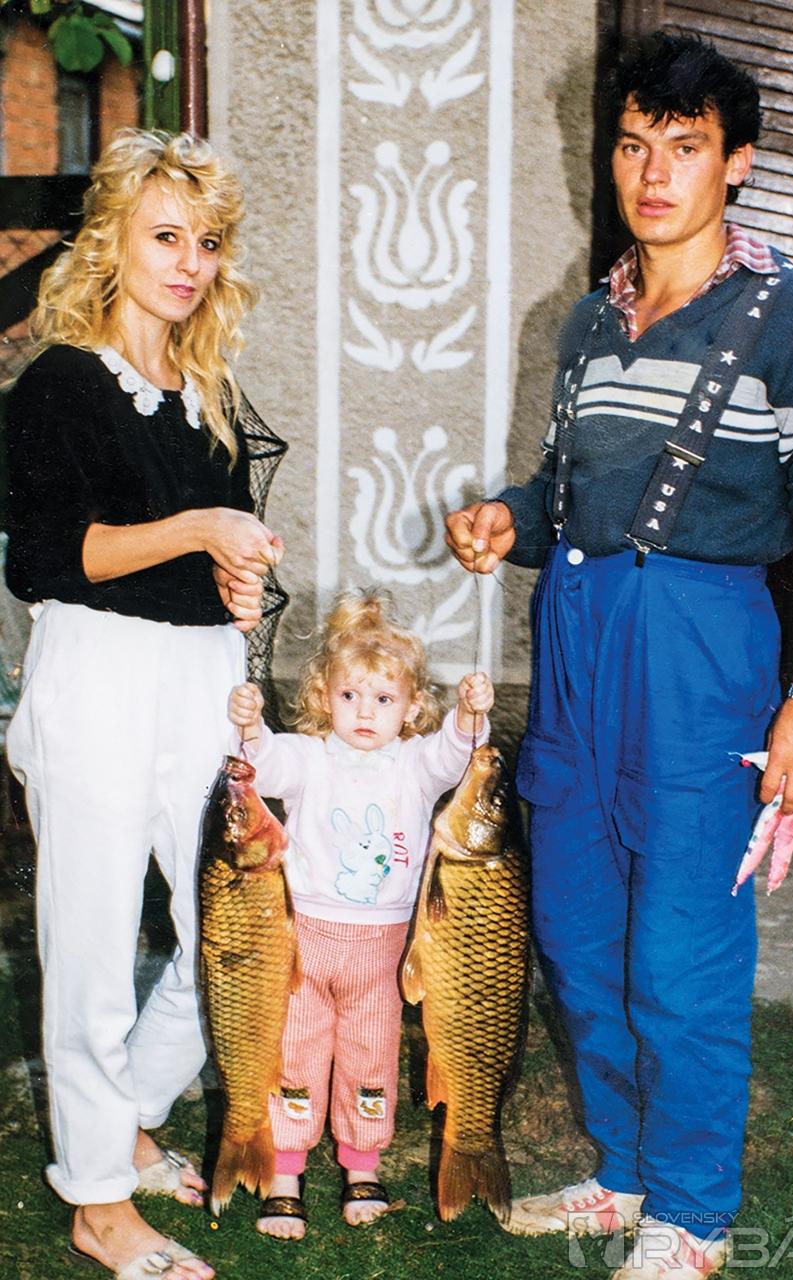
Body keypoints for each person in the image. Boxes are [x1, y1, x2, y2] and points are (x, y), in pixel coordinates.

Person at [444, 31, 793, 1280]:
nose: (650, 174)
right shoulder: (589, 317)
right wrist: (505, 518)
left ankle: (689, 1215)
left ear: (734, 163)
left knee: (680, 956)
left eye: (682, 149)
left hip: (700, 651)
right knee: (579, 937)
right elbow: (564, 492)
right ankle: (626, 1170)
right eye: (632, 146)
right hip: (576, 641)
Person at [4, 129, 283, 1280]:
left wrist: (237, 579)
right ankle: (97, 1199)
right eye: (165, 236)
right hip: (97, 673)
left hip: (202, 673)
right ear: (111, 240)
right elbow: (49, 557)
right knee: (89, 945)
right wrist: (200, 529)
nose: (188, 263)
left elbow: (208, 557)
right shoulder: (58, 383)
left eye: (206, 242)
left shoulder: (208, 392)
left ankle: (126, 1114)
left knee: (243, 914)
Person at [226, 590, 494, 1240]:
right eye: (350, 696)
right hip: (304, 942)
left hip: (381, 951)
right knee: (294, 1051)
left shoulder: (414, 764)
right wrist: (250, 728)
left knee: (371, 1054)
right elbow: (263, 767)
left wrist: (469, 715)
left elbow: (456, 756)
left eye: (383, 699)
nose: (366, 712)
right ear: (324, 697)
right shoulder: (309, 756)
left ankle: (361, 1164)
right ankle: (284, 1171)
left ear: (411, 707)